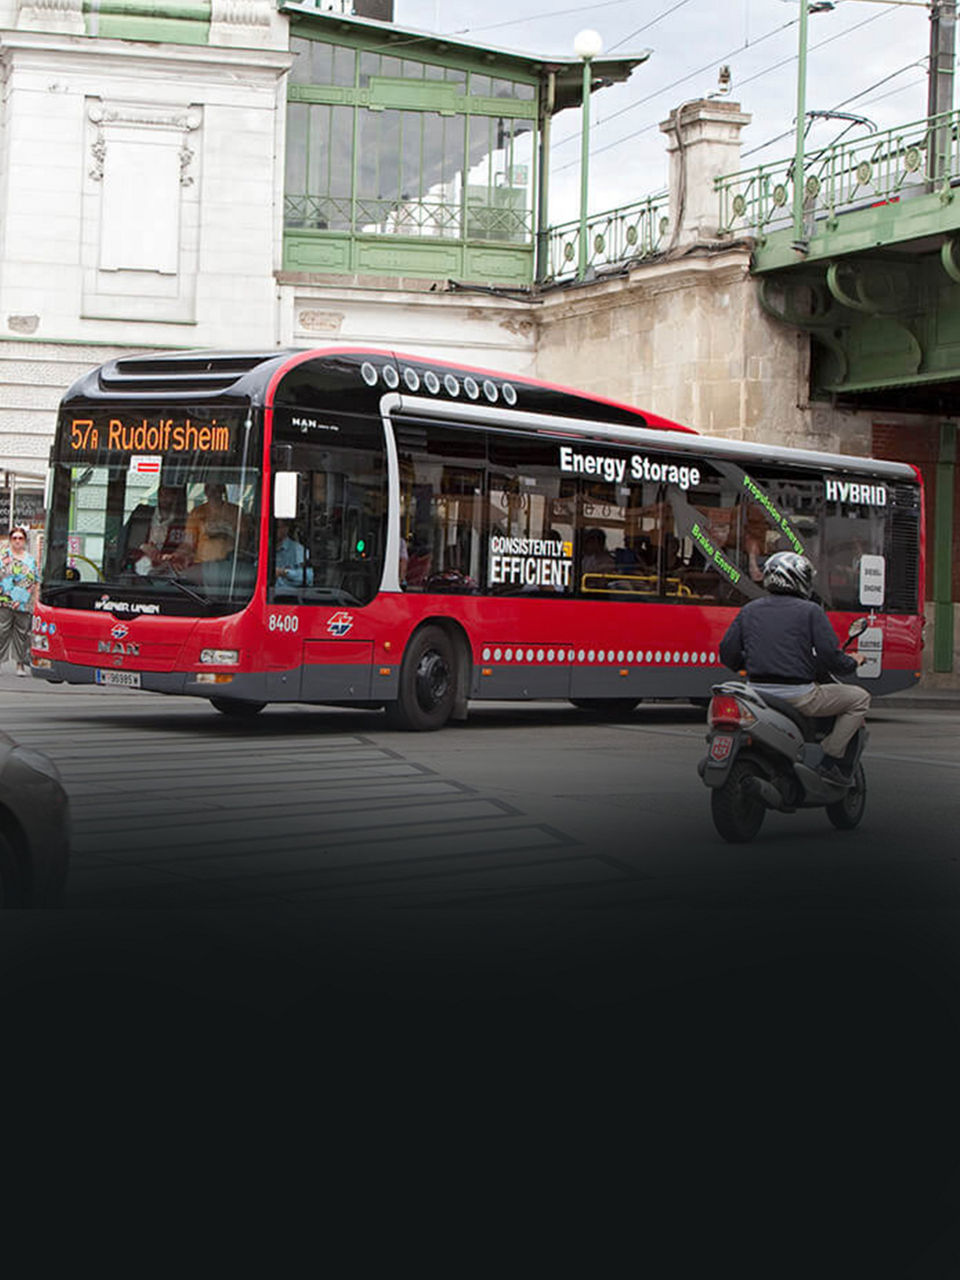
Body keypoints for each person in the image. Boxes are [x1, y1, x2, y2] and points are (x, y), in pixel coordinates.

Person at [718, 550, 869, 786]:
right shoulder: (811, 611)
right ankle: (829, 760)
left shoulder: (750, 609)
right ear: (800, 579)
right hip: (799, 697)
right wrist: (853, 662)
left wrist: (749, 663)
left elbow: (727, 652)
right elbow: (830, 657)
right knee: (859, 698)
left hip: (756, 694)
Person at [172, 483, 248, 572]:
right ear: (205, 491)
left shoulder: (236, 512)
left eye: (216, 488)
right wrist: (176, 555)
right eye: (209, 488)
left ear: (222, 489)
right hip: (202, 565)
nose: (213, 492)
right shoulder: (197, 513)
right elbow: (189, 543)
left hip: (229, 566)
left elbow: (243, 540)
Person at [121, 484, 186, 575]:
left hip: (167, 576)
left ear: (176, 497)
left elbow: (184, 553)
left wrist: (161, 558)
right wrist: (143, 547)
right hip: (135, 574)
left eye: (169, 494)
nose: (164, 497)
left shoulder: (183, 521)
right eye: (162, 493)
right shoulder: (142, 513)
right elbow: (124, 541)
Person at [0, 526, 39, 676]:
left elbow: (35, 581)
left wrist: (35, 600)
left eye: (20, 538)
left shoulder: (30, 560)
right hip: (5, 602)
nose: (17, 541)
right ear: (10, 540)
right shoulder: (3, 558)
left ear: (25, 541)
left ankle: (20, 664)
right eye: (14, 538)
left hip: (24, 604)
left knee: (22, 634)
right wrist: (11, 597)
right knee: (2, 632)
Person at [274, 519, 312, 594]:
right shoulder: (265, 548)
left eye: (277, 527)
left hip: (290, 598)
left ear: (285, 529)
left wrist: (284, 573)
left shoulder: (297, 549)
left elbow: (309, 577)